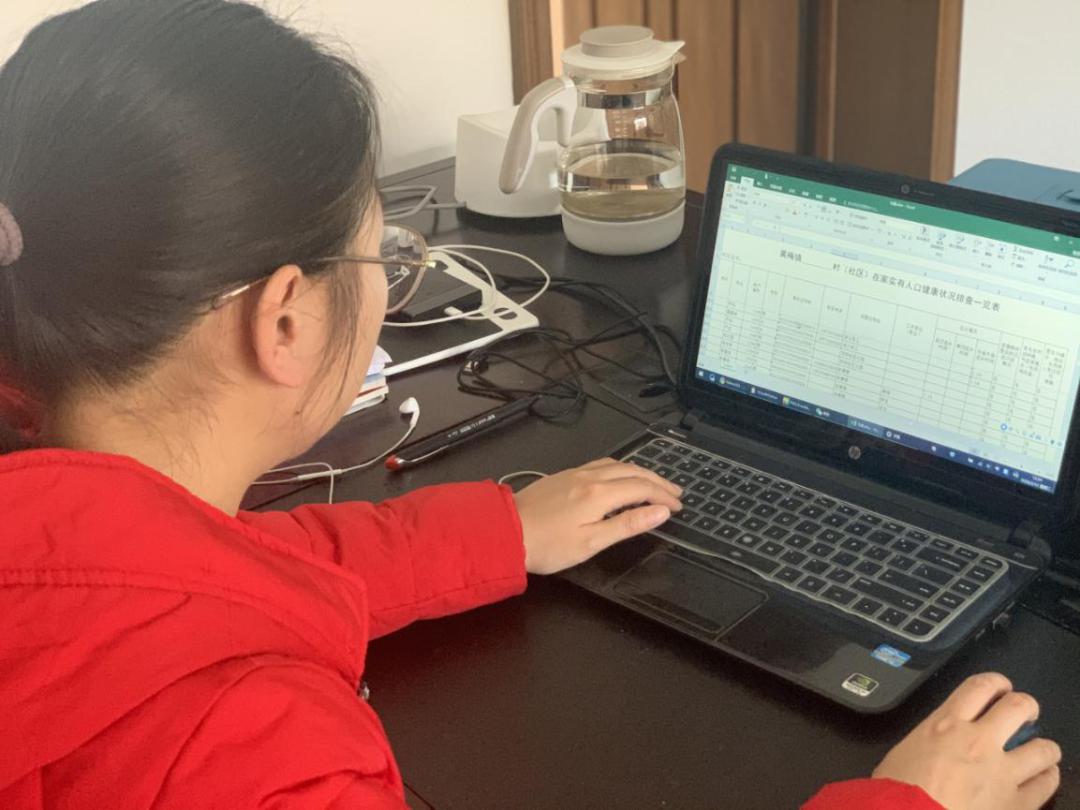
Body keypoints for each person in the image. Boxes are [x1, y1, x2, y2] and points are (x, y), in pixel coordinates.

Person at [0, 2, 1061, 808]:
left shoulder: (62, 544)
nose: (389, 284)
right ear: (283, 322)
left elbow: (233, 573)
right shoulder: (262, 753)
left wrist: (499, 530)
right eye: (382, 258)